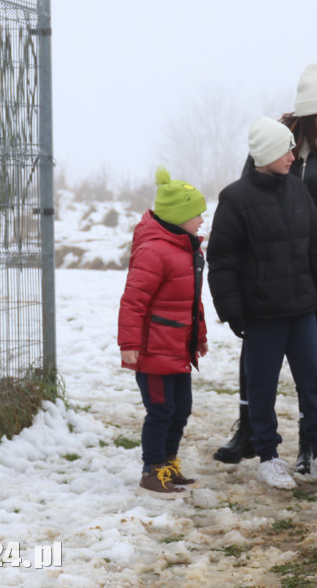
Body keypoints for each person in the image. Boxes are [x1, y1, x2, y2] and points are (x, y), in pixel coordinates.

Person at [213, 64, 317, 475]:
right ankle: (252, 432)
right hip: (266, 281)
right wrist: (236, 300)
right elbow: (243, 215)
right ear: (305, 113)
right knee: (257, 362)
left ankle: (311, 446)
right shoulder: (275, 142)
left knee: (309, 363)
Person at [117, 166, 209, 499]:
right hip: (153, 349)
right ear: (179, 216)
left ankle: (168, 466)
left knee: (180, 408)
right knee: (161, 411)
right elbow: (133, 300)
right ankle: (151, 472)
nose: (201, 219)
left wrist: (198, 337)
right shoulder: (155, 251)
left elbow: (190, 300)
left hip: (177, 347)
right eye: (196, 213)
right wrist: (129, 343)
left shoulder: (186, 248)